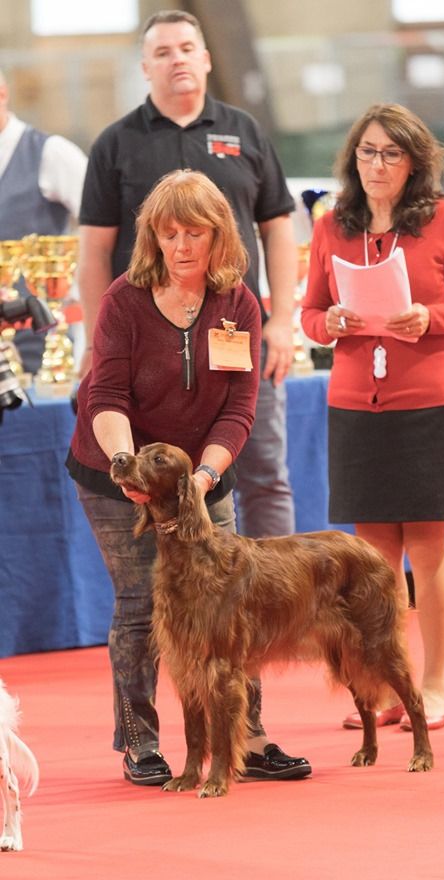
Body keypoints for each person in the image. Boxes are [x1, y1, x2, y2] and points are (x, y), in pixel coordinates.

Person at [66, 169, 310, 786]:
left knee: (232, 604)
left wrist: (203, 477)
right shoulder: (123, 299)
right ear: (152, 237)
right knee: (141, 605)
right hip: (114, 468)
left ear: (218, 236)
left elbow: (239, 409)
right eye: (168, 233)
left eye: (193, 233)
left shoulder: (240, 304)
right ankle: (141, 743)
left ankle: (245, 741)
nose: (180, 246)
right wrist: (127, 466)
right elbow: (106, 396)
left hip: (203, 476)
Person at [300, 103, 444, 731]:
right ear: (352, 160)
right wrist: (328, 324)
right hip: (356, 402)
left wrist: (430, 318)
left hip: (427, 400)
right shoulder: (333, 224)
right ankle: (388, 683)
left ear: (414, 162)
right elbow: (309, 314)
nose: (377, 164)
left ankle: (434, 685)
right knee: (374, 557)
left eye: (390, 153)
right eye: (367, 152)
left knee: (429, 546)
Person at [77, 8, 297, 540]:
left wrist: (283, 319)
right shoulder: (115, 143)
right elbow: (93, 252)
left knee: (265, 475)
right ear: (145, 67)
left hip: (237, 331)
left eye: (185, 48)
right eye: (162, 52)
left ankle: (268, 604)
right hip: (145, 344)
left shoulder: (244, 131)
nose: (176, 59)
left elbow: (279, 228)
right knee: (147, 479)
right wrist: (94, 341)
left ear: (206, 58)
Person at [0, 66, 87, 371]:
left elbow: (102, 227)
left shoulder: (51, 153)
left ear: (3, 93)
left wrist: (76, 295)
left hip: (41, 346)